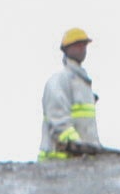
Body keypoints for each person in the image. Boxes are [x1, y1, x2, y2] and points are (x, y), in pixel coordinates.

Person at [38, 28, 100, 159]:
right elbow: (58, 120)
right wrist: (78, 146)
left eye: (84, 45)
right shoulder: (60, 81)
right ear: (66, 49)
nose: (82, 49)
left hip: (79, 163)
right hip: (57, 161)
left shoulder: (83, 84)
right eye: (77, 45)